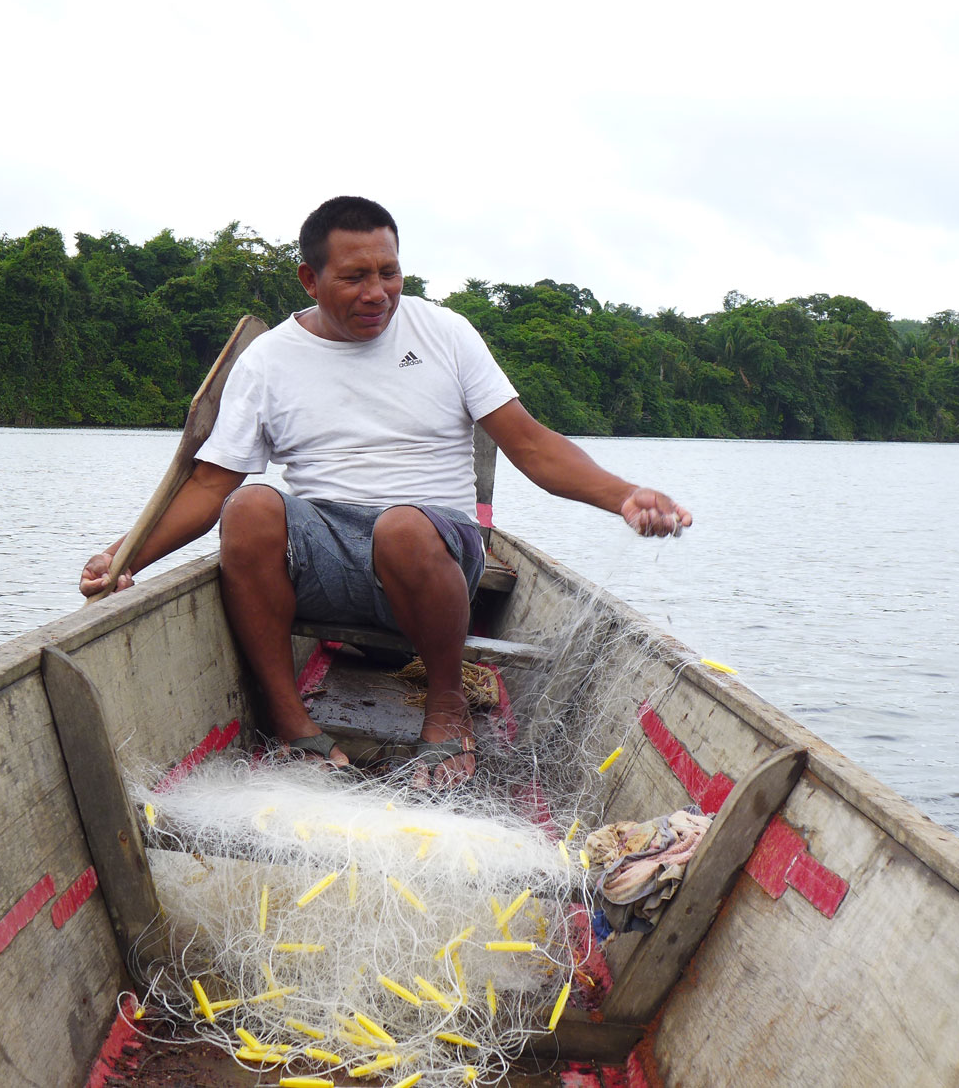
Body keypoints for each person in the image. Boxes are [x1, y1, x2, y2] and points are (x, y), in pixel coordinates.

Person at [81, 196, 691, 785]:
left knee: (402, 528)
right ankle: (291, 723)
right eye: (354, 277)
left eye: (389, 272)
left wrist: (623, 496)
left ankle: (446, 711)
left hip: (435, 543)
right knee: (248, 507)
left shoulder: (444, 333)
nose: (378, 293)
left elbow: (530, 446)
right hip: (323, 548)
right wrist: (125, 555)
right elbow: (210, 484)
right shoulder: (269, 361)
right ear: (309, 280)